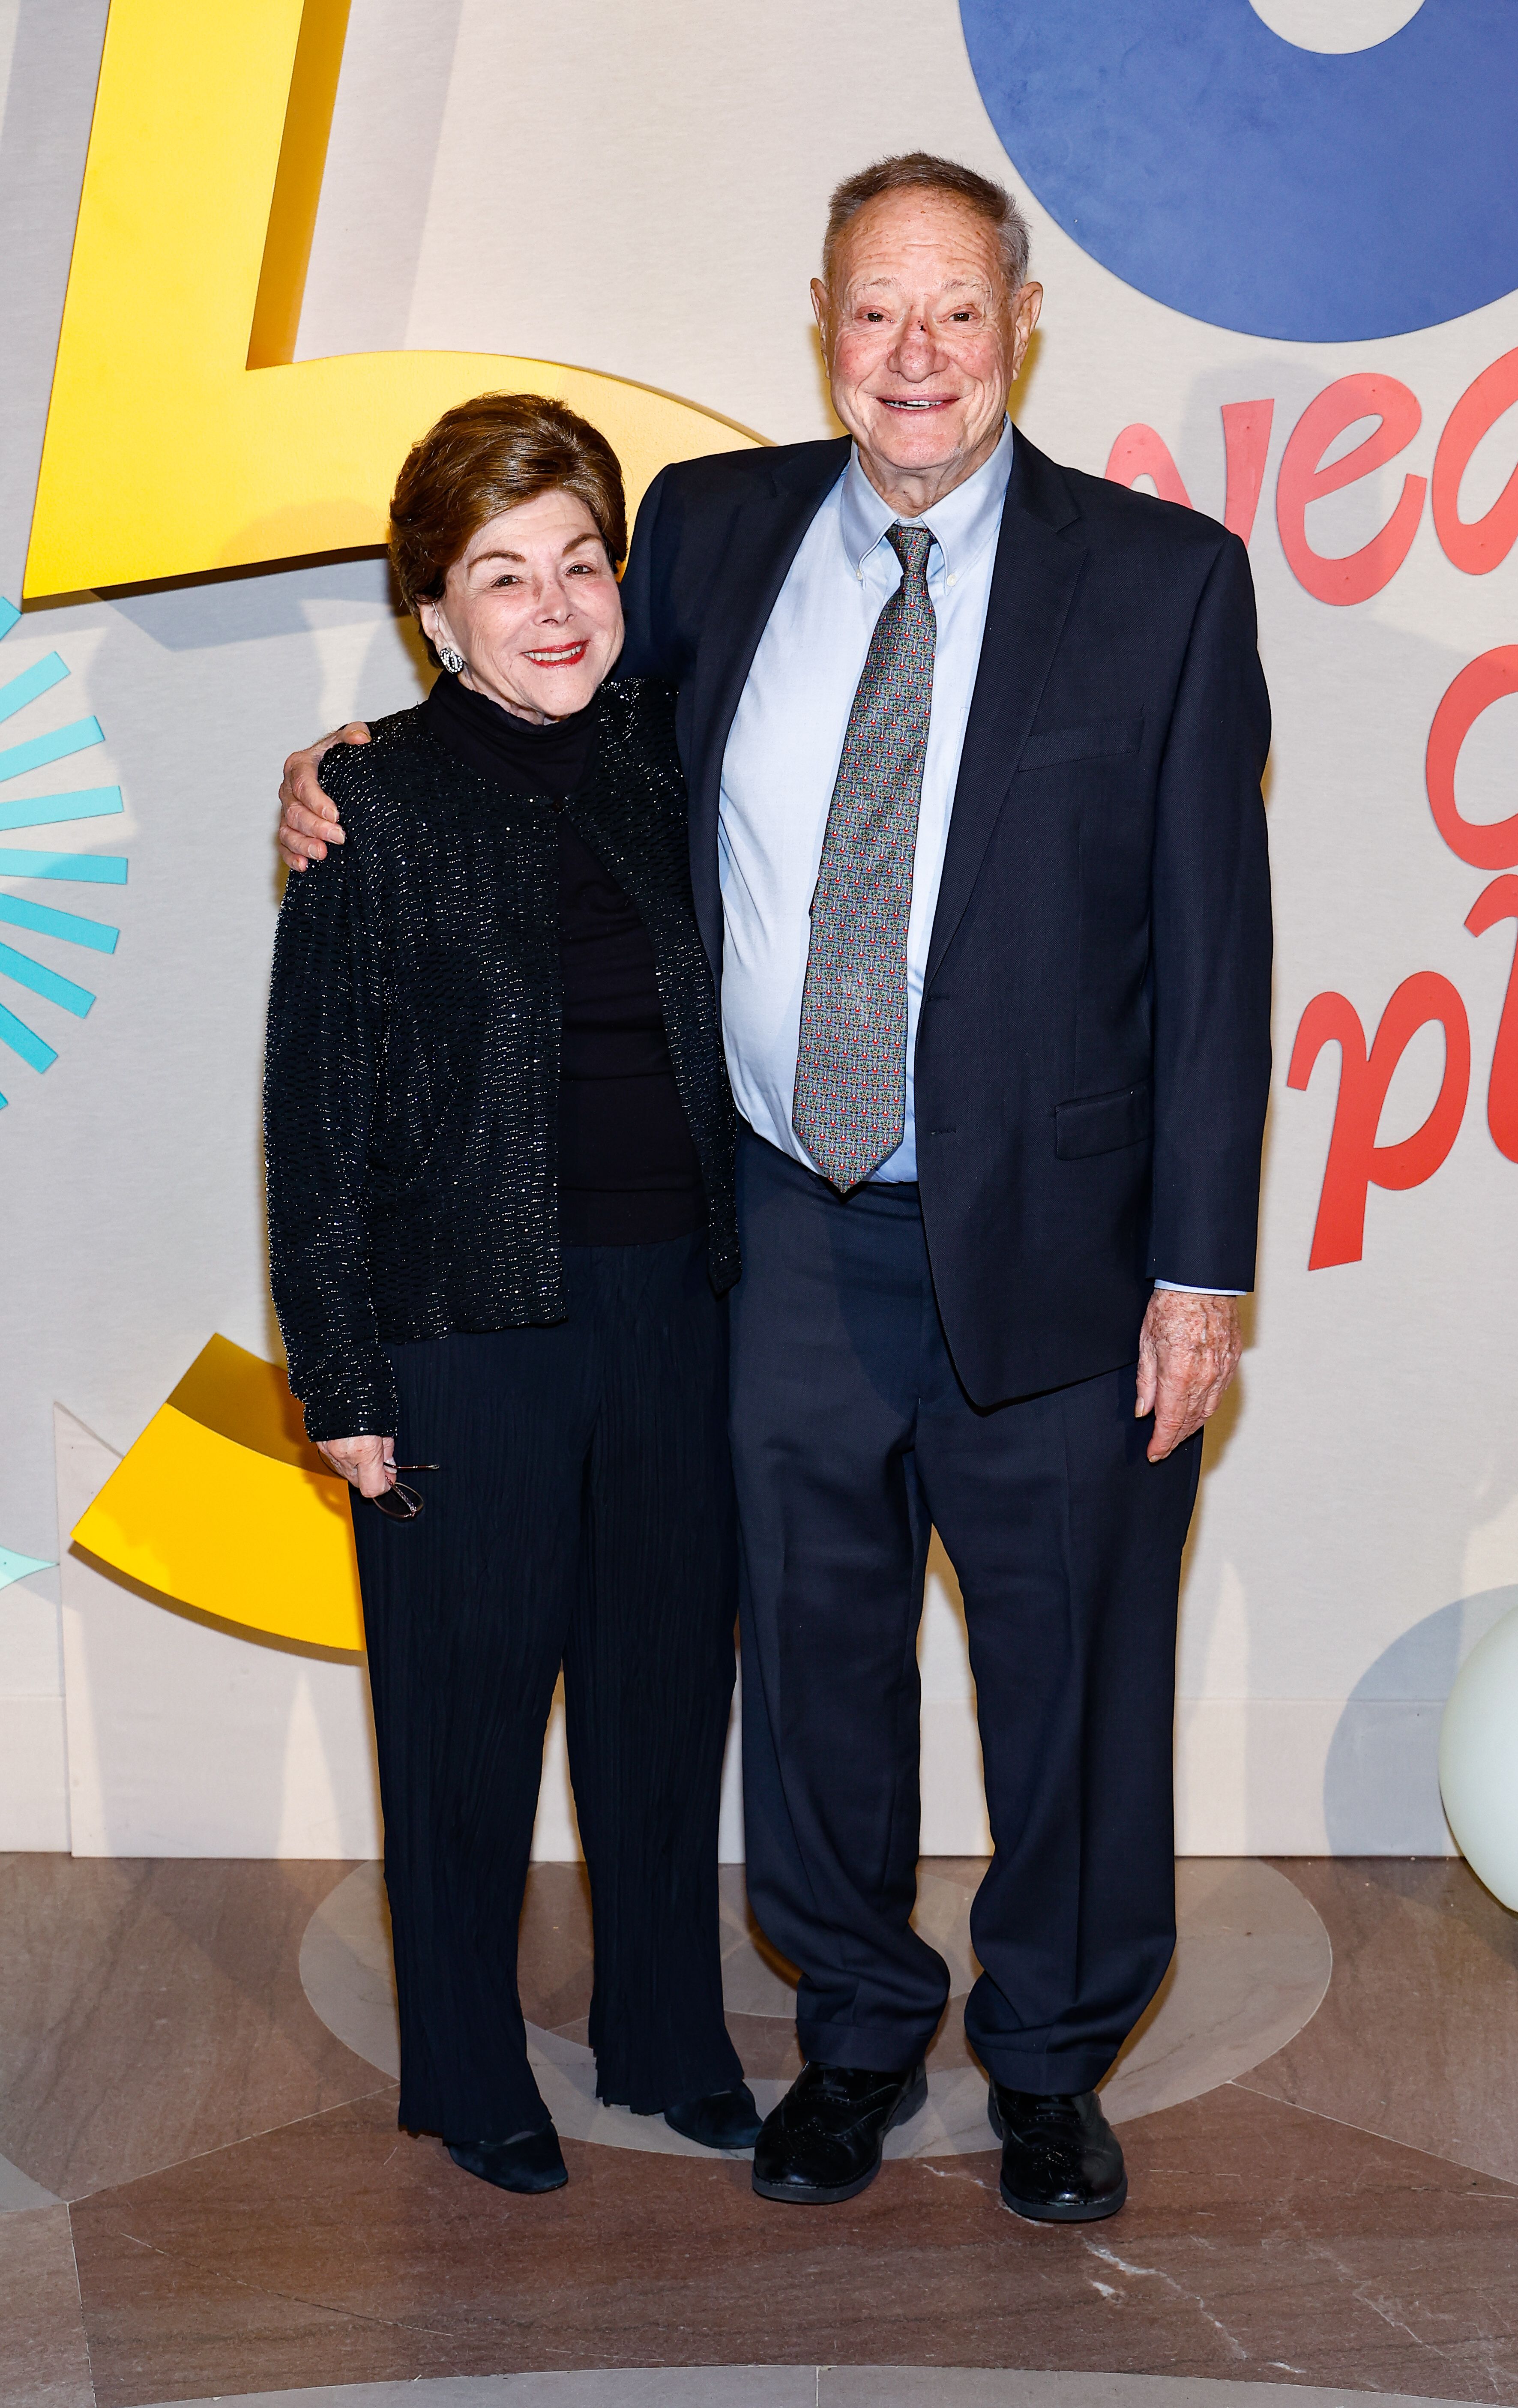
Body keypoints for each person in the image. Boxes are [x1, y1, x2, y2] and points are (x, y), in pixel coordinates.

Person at [278, 153, 1272, 2227]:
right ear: (821, 319)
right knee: (815, 1662)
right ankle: (851, 2040)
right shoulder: (716, 536)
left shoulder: (1166, 582)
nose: (913, 356)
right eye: (872, 313)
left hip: (1066, 1259)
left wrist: (1202, 1272)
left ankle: (1054, 2063)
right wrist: (345, 764)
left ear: (1021, 328)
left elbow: (1215, 950)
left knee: (1074, 1669)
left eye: (956, 313)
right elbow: (534, 708)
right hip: (787, 1241)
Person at [264, 392, 763, 2198]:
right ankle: (464, 2065)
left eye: (581, 563)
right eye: (501, 574)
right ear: (432, 613)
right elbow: (311, 1123)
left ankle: (668, 2033)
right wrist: (344, 1378)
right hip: (461, 1338)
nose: (552, 607)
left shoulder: (679, 752)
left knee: (655, 1704)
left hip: (682, 1318)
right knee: (462, 1722)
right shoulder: (373, 804)